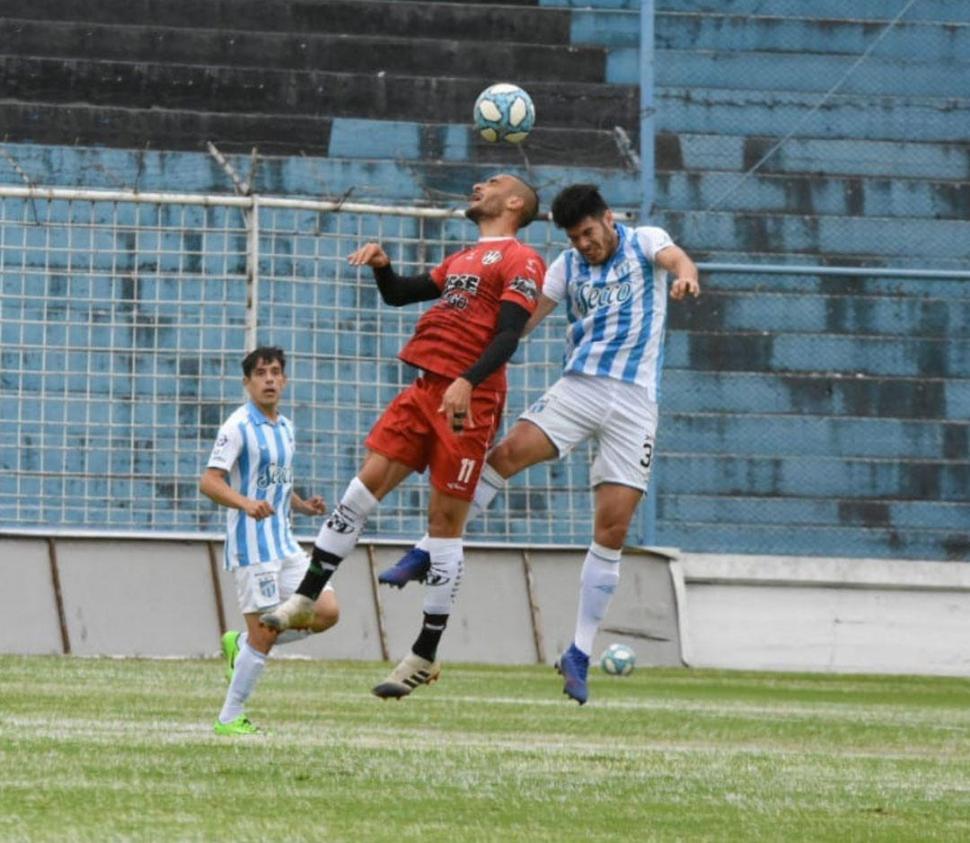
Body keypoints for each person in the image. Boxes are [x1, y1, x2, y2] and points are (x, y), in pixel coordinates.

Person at [378, 183, 700, 705]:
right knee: (502, 457)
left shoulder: (644, 242)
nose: (584, 245)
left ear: (608, 219)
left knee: (612, 528)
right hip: (579, 387)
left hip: (636, 402)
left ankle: (578, 651)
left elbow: (676, 258)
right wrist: (470, 359)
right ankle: (425, 550)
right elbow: (520, 323)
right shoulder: (566, 266)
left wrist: (684, 276)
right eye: (575, 238)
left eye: (589, 234)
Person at [260, 173, 546, 699]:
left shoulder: (521, 259)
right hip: (423, 390)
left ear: (514, 202)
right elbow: (399, 296)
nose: (477, 183)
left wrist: (467, 382)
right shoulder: (462, 259)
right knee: (359, 491)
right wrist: (383, 266)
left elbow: (508, 333)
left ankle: (423, 654)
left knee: (443, 527)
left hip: (470, 401)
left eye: (493, 181)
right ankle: (305, 597)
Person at [201, 346, 339, 735]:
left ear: (285, 379)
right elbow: (209, 481)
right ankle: (230, 717)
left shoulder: (286, 427)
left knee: (327, 611)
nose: (270, 380)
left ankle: (243, 643)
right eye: (261, 374)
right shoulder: (237, 426)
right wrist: (244, 503)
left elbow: (277, 479)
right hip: (252, 547)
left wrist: (302, 504)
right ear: (247, 383)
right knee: (267, 633)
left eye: (276, 372)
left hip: (285, 543)